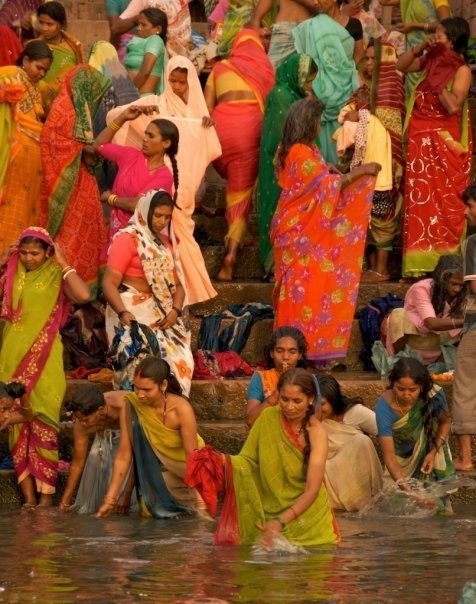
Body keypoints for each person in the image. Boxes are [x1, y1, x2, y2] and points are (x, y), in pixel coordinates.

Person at [106, 55, 221, 304]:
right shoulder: (156, 103)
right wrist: (138, 111)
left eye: (182, 82)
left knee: (180, 232)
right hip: (157, 178)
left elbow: (211, 148)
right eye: (173, 80)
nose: (177, 86)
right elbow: (115, 115)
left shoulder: (198, 113)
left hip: (184, 183)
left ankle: (186, 291)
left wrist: (205, 127)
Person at [272, 97, 380, 362]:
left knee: (310, 290)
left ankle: (307, 350)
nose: (321, 127)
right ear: (309, 123)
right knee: (300, 292)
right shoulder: (299, 151)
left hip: (305, 229)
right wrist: (361, 172)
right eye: (319, 122)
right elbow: (326, 187)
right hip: (299, 231)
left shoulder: (304, 149)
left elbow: (321, 181)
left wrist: (334, 172)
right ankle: (294, 353)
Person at [189, 368, 340, 546]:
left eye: (297, 401)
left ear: (311, 399)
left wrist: (281, 521)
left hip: (310, 523)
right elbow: (247, 461)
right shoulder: (268, 416)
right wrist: (222, 461)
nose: (290, 407)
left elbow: (312, 490)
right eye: (284, 399)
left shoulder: (317, 433)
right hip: (269, 513)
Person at [0, 226, 90, 506]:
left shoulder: (55, 272)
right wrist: (4, 258)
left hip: (46, 356)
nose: (28, 258)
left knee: (44, 420)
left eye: (35, 253)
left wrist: (63, 263)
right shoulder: (12, 272)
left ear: (47, 252)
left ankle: (46, 500)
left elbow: (84, 296)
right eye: (24, 252)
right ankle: (29, 500)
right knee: (14, 423)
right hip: (11, 356)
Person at [397, 17, 472, 278]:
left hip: (442, 147)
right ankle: (417, 266)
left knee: (443, 205)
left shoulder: (462, 70)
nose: (434, 39)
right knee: (420, 205)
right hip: (420, 146)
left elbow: (453, 106)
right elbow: (401, 65)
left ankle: (441, 264)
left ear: (452, 40)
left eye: (438, 35)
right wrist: (419, 49)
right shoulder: (431, 61)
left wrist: (438, 82)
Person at [103, 190, 194, 395]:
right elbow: (109, 283)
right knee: (143, 363)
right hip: (130, 309)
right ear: (145, 212)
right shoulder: (128, 239)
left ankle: (169, 412)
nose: (162, 221)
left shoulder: (164, 244)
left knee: (182, 362)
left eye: (167, 217)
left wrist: (175, 311)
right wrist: (123, 313)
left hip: (163, 312)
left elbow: (179, 286)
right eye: (158, 215)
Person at [205, 28, 275, 281]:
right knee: (240, 194)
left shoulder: (219, 67)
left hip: (221, 129)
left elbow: (206, 108)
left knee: (231, 182)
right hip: (249, 129)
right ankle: (231, 255)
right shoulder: (267, 69)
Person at [96, 356, 206, 518]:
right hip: (166, 474)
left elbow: (193, 458)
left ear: (163, 385)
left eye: (147, 390)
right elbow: (124, 455)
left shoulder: (181, 409)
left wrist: (201, 501)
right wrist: (110, 500)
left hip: (196, 474)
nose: (140, 395)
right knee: (148, 508)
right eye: (136, 388)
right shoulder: (131, 404)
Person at [335, 39, 405, 282]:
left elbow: (387, 124)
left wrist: (359, 115)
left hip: (387, 160)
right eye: (366, 57)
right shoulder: (365, 89)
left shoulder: (390, 86)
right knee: (364, 212)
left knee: (383, 214)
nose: (368, 62)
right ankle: (371, 267)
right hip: (365, 159)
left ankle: (382, 269)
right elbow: (350, 111)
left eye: (374, 58)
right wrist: (354, 113)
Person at [39, 64, 111, 297]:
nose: (94, 99)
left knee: (84, 235)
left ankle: (81, 292)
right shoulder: (66, 112)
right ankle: (65, 295)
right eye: (92, 93)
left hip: (82, 182)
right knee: (69, 239)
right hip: (68, 187)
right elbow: (59, 146)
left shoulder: (77, 111)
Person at [257, 53, 317, 277]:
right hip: (281, 167)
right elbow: (284, 137)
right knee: (278, 213)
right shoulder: (282, 95)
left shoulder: (296, 95)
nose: (309, 85)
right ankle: (276, 267)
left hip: (294, 166)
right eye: (308, 80)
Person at [375, 358, 455, 509]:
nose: (406, 395)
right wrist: (411, 494)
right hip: (400, 460)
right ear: (392, 384)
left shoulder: (433, 395)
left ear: (422, 387)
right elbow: (389, 457)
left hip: (430, 450)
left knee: (437, 507)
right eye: (400, 389)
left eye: (412, 390)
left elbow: (445, 422)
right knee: (397, 506)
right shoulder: (384, 407)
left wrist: (433, 452)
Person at [91, 106, 177, 242]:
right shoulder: (130, 155)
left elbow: (138, 205)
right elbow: (98, 146)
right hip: (114, 231)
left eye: (151, 136)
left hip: (138, 239)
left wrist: (110, 198)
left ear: (166, 143)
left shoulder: (164, 176)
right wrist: (122, 117)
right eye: (145, 134)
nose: (145, 139)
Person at [292, 0, 364, 163]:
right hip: (320, 96)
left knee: (346, 145)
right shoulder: (311, 26)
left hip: (348, 94)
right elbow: (306, 63)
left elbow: (359, 62)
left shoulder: (354, 25)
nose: (316, 2)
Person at [0, 40, 53, 252]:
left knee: (23, 209)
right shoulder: (9, 74)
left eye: (45, 70)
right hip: (12, 153)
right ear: (26, 60)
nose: (41, 73)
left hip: (30, 161)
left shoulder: (37, 88)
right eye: (38, 67)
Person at [59, 385, 131, 514]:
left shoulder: (124, 404)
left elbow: (127, 455)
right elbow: (77, 463)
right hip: (103, 443)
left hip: (132, 443)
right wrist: (65, 500)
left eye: (86, 420)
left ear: (101, 409)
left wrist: (126, 493)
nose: (83, 424)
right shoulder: (81, 424)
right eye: (79, 419)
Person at [383, 254, 466, 365]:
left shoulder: (464, 292)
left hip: (439, 348)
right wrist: (467, 321)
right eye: (453, 284)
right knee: (398, 315)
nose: (457, 289)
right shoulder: (422, 288)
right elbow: (431, 323)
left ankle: (441, 364)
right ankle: (401, 362)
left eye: (461, 285)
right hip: (414, 344)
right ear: (442, 279)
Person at [317, 375, 383, 511]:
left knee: (361, 441)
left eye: (322, 404)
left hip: (355, 480)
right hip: (325, 477)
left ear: (333, 401)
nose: (316, 408)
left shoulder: (355, 412)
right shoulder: (308, 417)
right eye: (313, 403)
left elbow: (386, 433)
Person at [451, 185, 476, 472]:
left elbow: (474, 285)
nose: (465, 211)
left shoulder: (473, 242)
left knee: (466, 385)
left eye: (469, 205)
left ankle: (466, 457)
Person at [246, 326, 308, 427]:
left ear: (300, 355)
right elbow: (250, 421)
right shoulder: (261, 378)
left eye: (292, 352)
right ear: (272, 353)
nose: (285, 357)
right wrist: (273, 398)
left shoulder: (308, 380)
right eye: (280, 351)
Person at [36, 1, 84, 108]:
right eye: (41, 23)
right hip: (39, 104)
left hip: (66, 104)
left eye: (49, 24)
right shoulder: (34, 46)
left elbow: (80, 75)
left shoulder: (74, 47)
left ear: (61, 24)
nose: (44, 28)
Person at [397, 0, 451, 96]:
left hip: (435, 54)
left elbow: (447, 24)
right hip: (418, 53)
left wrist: (414, 25)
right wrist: (420, 47)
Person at [251, 0, 318, 69]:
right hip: (288, 30)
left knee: (313, 74)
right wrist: (255, 24)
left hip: (312, 30)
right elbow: (317, 4)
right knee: (273, 74)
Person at [112, 0, 192, 57]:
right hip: (157, 59)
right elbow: (116, 28)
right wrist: (142, 17)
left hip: (181, 63)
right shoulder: (146, 1)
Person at [124, 8, 167, 96]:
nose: (138, 28)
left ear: (158, 29)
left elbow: (146, 70)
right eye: (138, 24)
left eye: (143, 25)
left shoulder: (155, 40)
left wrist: (130, 92)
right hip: (135, 97)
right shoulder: (140, 42)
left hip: (143, 100)